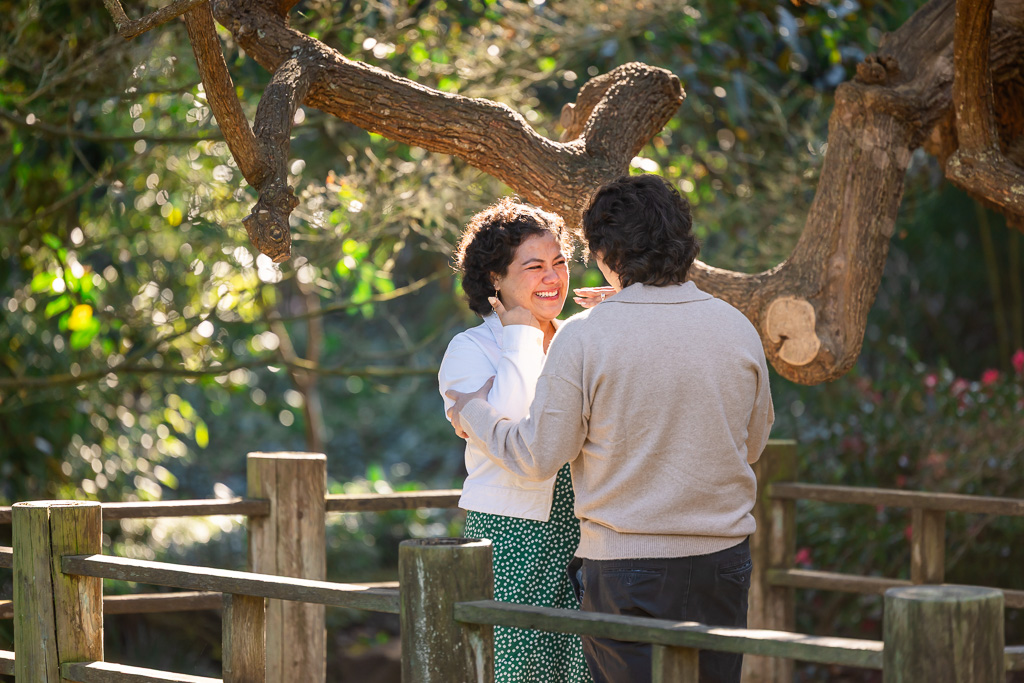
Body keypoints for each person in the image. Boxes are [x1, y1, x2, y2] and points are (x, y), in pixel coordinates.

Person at [448, 174, 775, 683]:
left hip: (627, 566)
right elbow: (753, 444)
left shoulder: (583, 336)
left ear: (605, 254)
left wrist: (471, 410)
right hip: (723, 563)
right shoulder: (737, 326)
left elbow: (538, 457)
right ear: (685, 243)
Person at [438, 197, 604, 683]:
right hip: (512, 532)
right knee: (515, 666)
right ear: (495, 278)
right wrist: (520, 335)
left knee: (584, 668)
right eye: (534, 267)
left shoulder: (580, 336)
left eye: (559, 263)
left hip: (592, 527)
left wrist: (623, 319)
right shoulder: (469, 349)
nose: (554, 278)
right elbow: (513, 419)